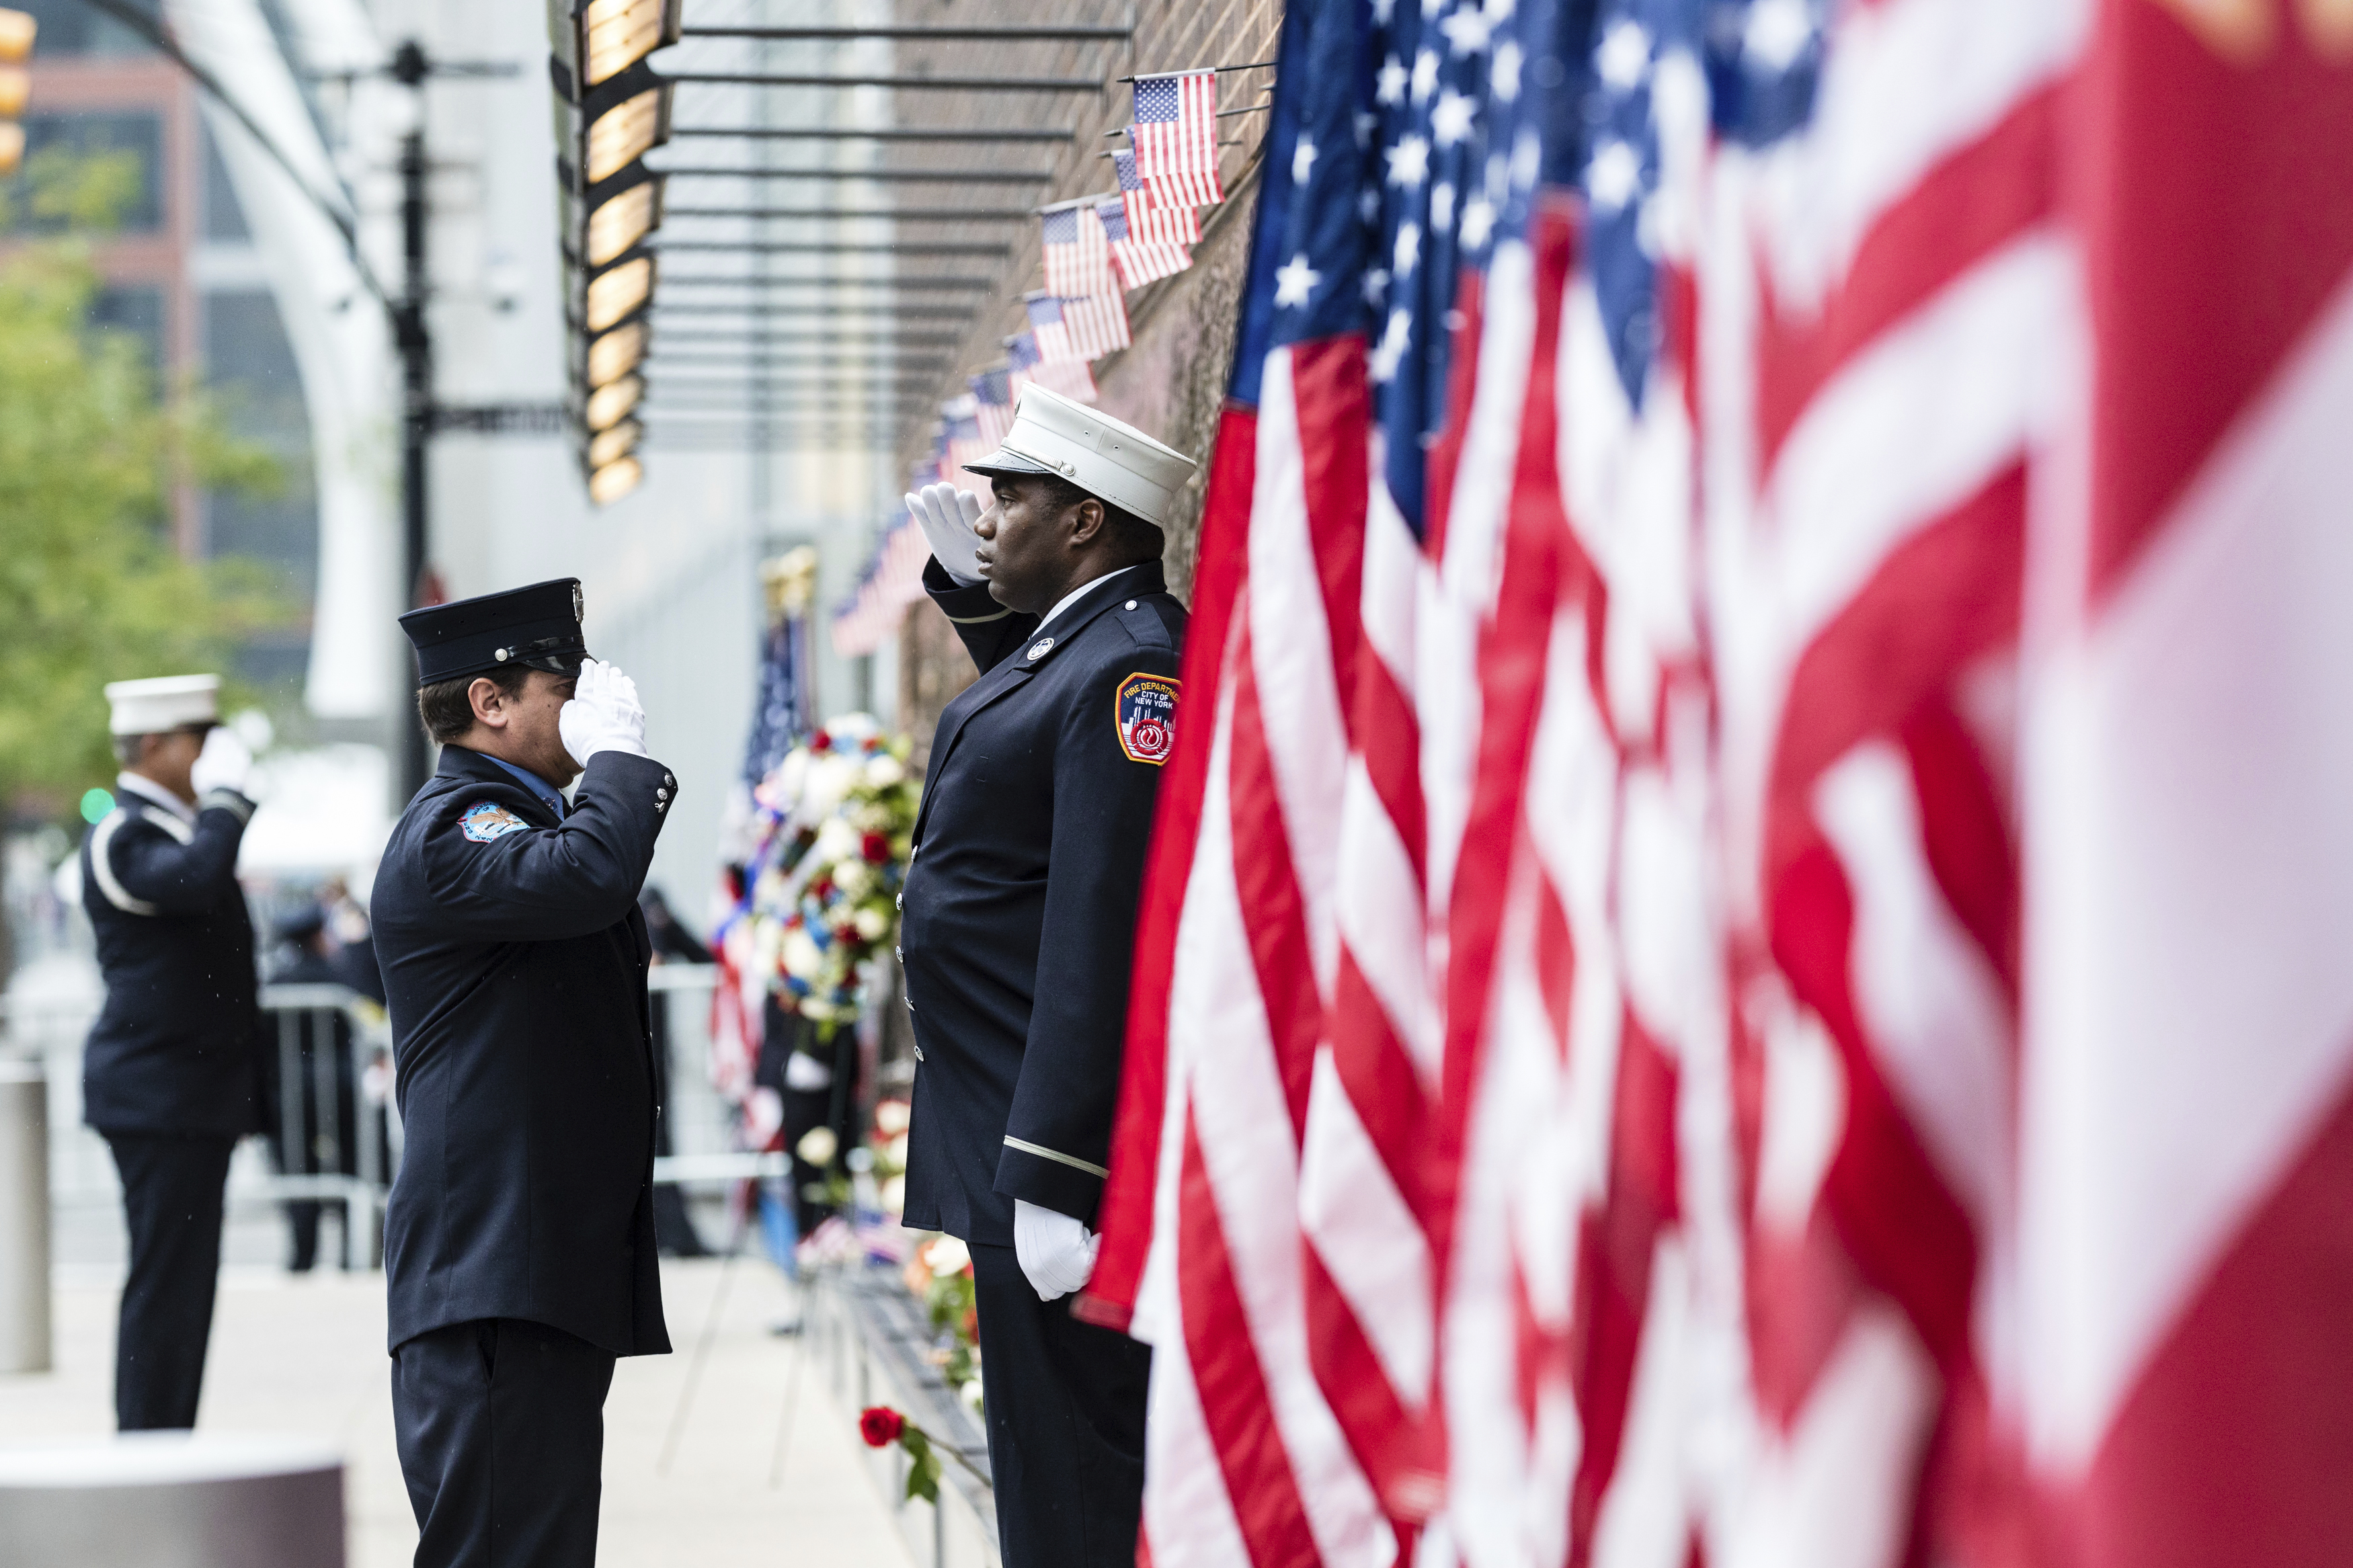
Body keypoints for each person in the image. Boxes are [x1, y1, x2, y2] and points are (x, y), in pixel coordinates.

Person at [898, 384, 1196, 1568]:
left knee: (1080, 1480)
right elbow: (1030, 715)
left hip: (1055, 1157)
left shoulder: (1135, 674)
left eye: (1010, 500)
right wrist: (976, 604)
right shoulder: (1088, 650)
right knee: (1041, 1466)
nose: (988, 523)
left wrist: (1063, 1171)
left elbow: (1101, 926)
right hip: (1005, 1138)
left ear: (1083, 523)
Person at [370, 579, 678, 1568]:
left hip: (530, 1271)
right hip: (493, 1276)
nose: (588, 707)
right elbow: (588, 878)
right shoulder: (457, 826)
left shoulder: (520, 816)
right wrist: (623, 763)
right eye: (566, 684)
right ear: (490, 702)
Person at [78, 673, 260, 1431]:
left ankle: (168, 1433)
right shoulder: (125, 833)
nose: (211, 757)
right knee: (165, 1279)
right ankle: (147, 1439)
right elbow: (191, 881)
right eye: (199, 741)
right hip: (156, 1096)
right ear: (154, 745)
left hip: (187, 1094)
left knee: (186, 1280)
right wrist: (224, 804)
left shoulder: (170, 828)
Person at [258, 904, 360, 1272]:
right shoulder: (339, 977)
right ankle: (354, 1256)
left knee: (297, 1175)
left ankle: (303, 1258)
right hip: (342, 1092)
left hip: (288, 1098)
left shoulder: (275, 984)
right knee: (353, 1169)